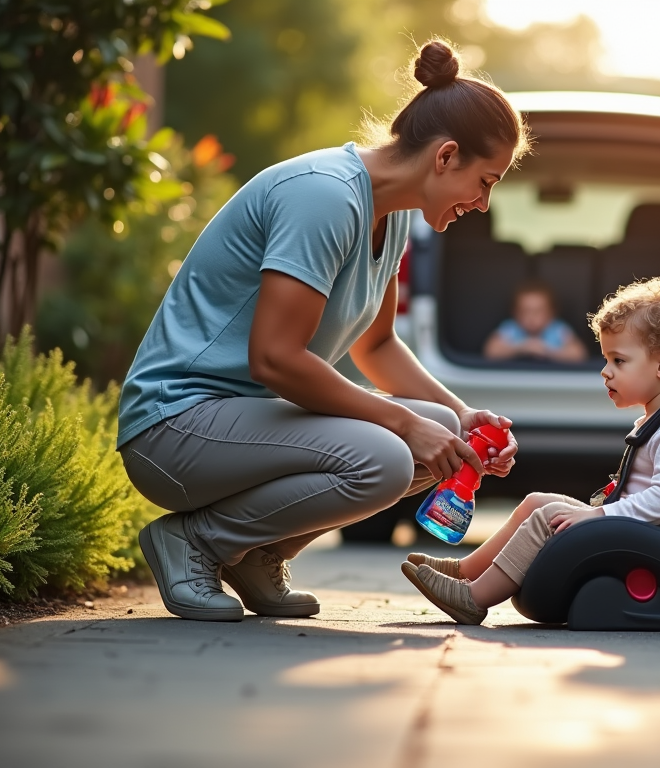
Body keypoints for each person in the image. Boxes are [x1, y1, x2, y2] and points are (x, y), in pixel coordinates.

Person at [117, 40, 531, 622]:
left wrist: (459, 417)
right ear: (445, 157)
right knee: (390, 455)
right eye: (485, 181)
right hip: (175, 427)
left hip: (240, 424)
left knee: (434, 430)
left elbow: (377, 345)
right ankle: (196, 541)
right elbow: (276, 361)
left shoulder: (396, 214)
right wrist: (405, 422)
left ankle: (258, 555)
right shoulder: (325, 197)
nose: (484, 203)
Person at [402, 275, 660, 625]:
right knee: (537, 501)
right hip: (635, 528)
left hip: (651, 541)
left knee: (545, 518)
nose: (605, 372)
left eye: (619, 361)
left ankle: (473, 599)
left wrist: (596, 517)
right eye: (606, 360)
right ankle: (464, 570)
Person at [483, 280, 588, 362]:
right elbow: (491, 351)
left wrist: (547, 351)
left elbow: (579, 354)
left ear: (551, 313)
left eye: (538, 312)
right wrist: (521, 348)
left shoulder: (558, 329)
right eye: (525, 312)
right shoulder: (511, 328)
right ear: (515, 313)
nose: (531, 317)